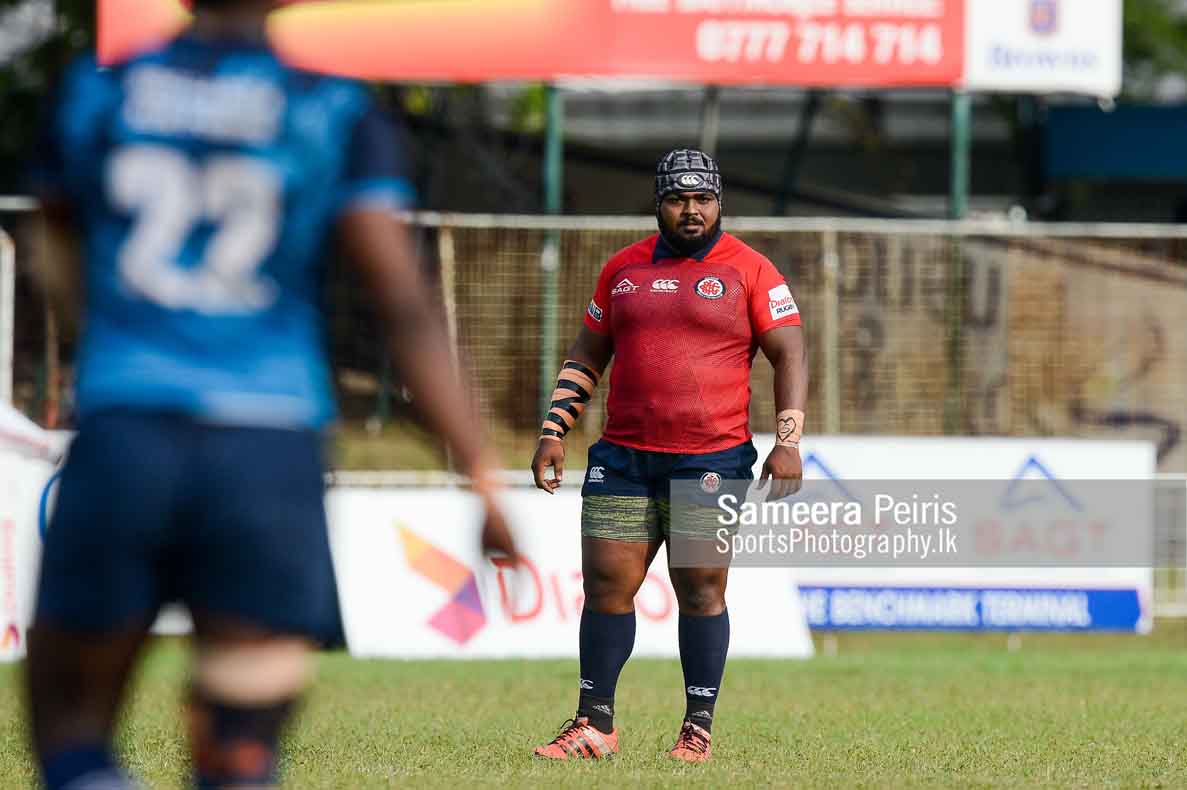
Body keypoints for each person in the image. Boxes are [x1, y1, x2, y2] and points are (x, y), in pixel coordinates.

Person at [24, 2, 517, 788]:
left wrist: (108, 331)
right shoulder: (330, 107)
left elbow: (54, 236)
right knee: (241, 753)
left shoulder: (97, 90)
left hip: (128, 429)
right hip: (267, 449)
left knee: (71, 729)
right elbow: (403, 304)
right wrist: (482, 473)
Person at [530, 148, 807, 763]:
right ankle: (594, 724)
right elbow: (587, 355)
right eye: (678, 199)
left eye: (702, 198)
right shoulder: (622, 270)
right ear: (658, 203)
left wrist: (788, 441)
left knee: (701, 588)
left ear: (718, 202)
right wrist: (554, 429)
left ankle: (697, 727)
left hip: (710, 462)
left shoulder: (752, 270)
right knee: (607, 584)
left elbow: (790, 353)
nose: (691, 210)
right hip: (623, 461)